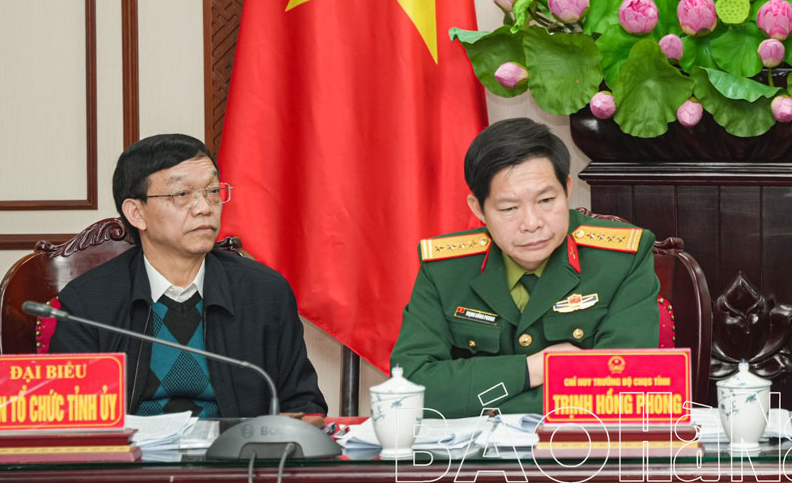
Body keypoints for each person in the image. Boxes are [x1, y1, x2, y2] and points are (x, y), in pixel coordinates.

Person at [391, 118, 661, 417]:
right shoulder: (446, 268)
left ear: (567, 189)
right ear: (478, 208)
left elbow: (623, 385)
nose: (532, 223)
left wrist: (479, 402)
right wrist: (534, 368)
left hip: (580, 443)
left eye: (546, 200)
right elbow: (410, 388)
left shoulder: (621, 259)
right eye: (509, 208)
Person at [50, 134, 326, 417]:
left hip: (240, 446)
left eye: (213, 191)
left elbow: (303, 405)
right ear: (136, 213)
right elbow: (70, 417)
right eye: (182, 195)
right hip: (132, 446)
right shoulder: (88, 303)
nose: (205, 208)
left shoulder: (264, 293)